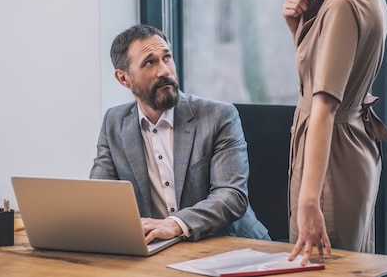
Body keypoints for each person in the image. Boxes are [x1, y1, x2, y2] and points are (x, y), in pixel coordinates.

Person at [259, 0, 387, 264]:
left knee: (322, 265)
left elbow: (324, 109)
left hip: (331, 158)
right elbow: (327, 77)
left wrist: (308, 201)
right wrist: (296, 28)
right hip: (343, 150)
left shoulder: (343, 4)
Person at [90, 24, 270, 243]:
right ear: (124, 78)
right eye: (150, 62)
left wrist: (175, 224)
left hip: (230, 245)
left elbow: (231, 196)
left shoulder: (219, 115)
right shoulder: (114, 123)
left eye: (166, 57)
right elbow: (100, 197)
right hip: (159, 250)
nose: (165, 71)